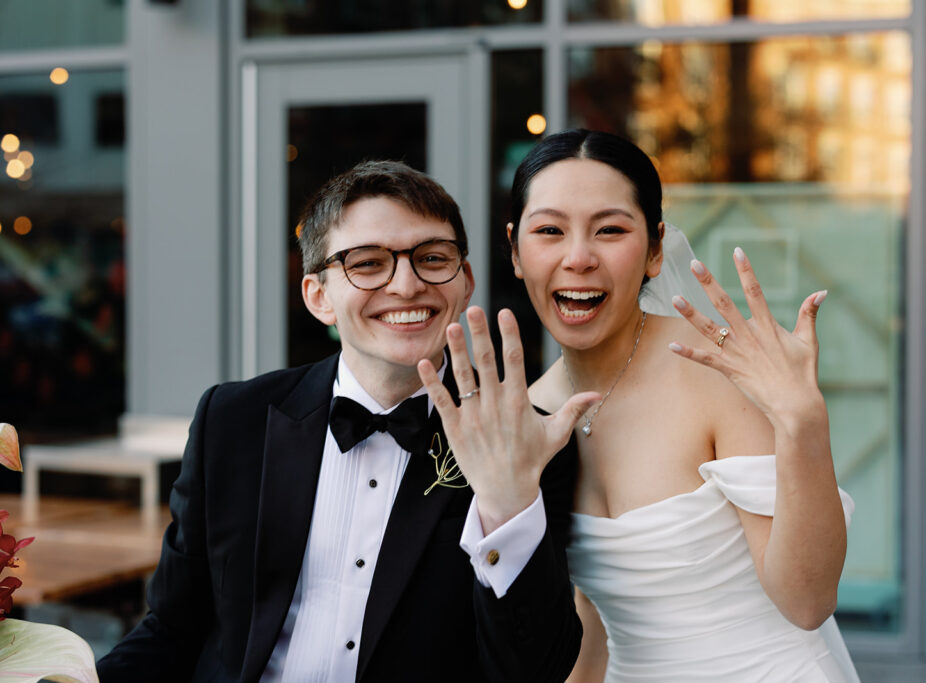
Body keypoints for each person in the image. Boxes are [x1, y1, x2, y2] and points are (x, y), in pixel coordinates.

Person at [97, 160, 597, 682]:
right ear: (318, 297)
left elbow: (533, 670)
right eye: (367, 263)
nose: (406, 285)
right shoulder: (232, 419)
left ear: (464, 280)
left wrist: (506, 504)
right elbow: (173, 629)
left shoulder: (525, 440)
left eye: (432, 258)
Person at [506, 129, 859, 682]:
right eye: (549, 230)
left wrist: (803, 421)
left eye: (610, 230)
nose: (578, 257)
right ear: (516, 251)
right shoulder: (530, 415)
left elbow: (808, 600)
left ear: (653, 251)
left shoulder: (714, 371)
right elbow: (586, 624)